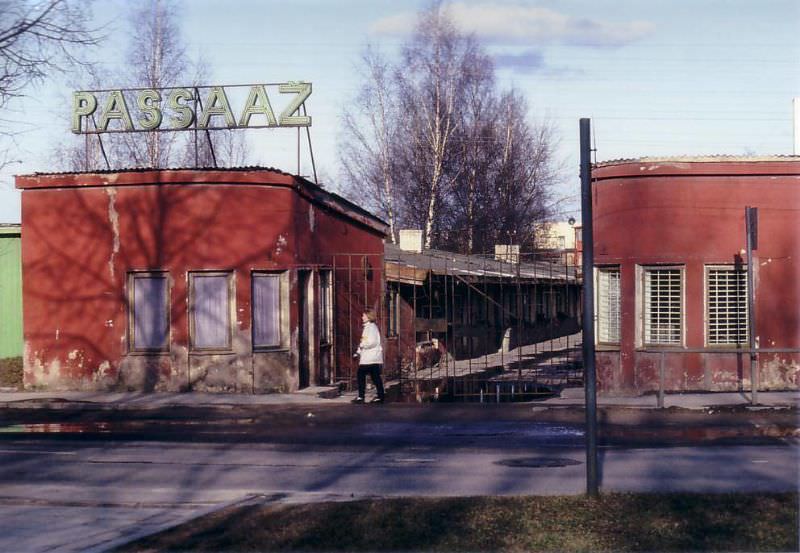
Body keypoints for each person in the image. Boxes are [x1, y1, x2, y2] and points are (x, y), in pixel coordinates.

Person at [352, 309, 385, 404]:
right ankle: (380, 396)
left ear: (368, 316)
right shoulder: (367, 328)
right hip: (370, 357)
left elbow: (371, 342)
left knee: (361, 374)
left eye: (364, 316)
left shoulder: (372, 328)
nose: (362, 317)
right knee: (375, 377)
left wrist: (362, 346)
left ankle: (361, 397)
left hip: (371, 357)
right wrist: (358, 352)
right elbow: (364, 341)